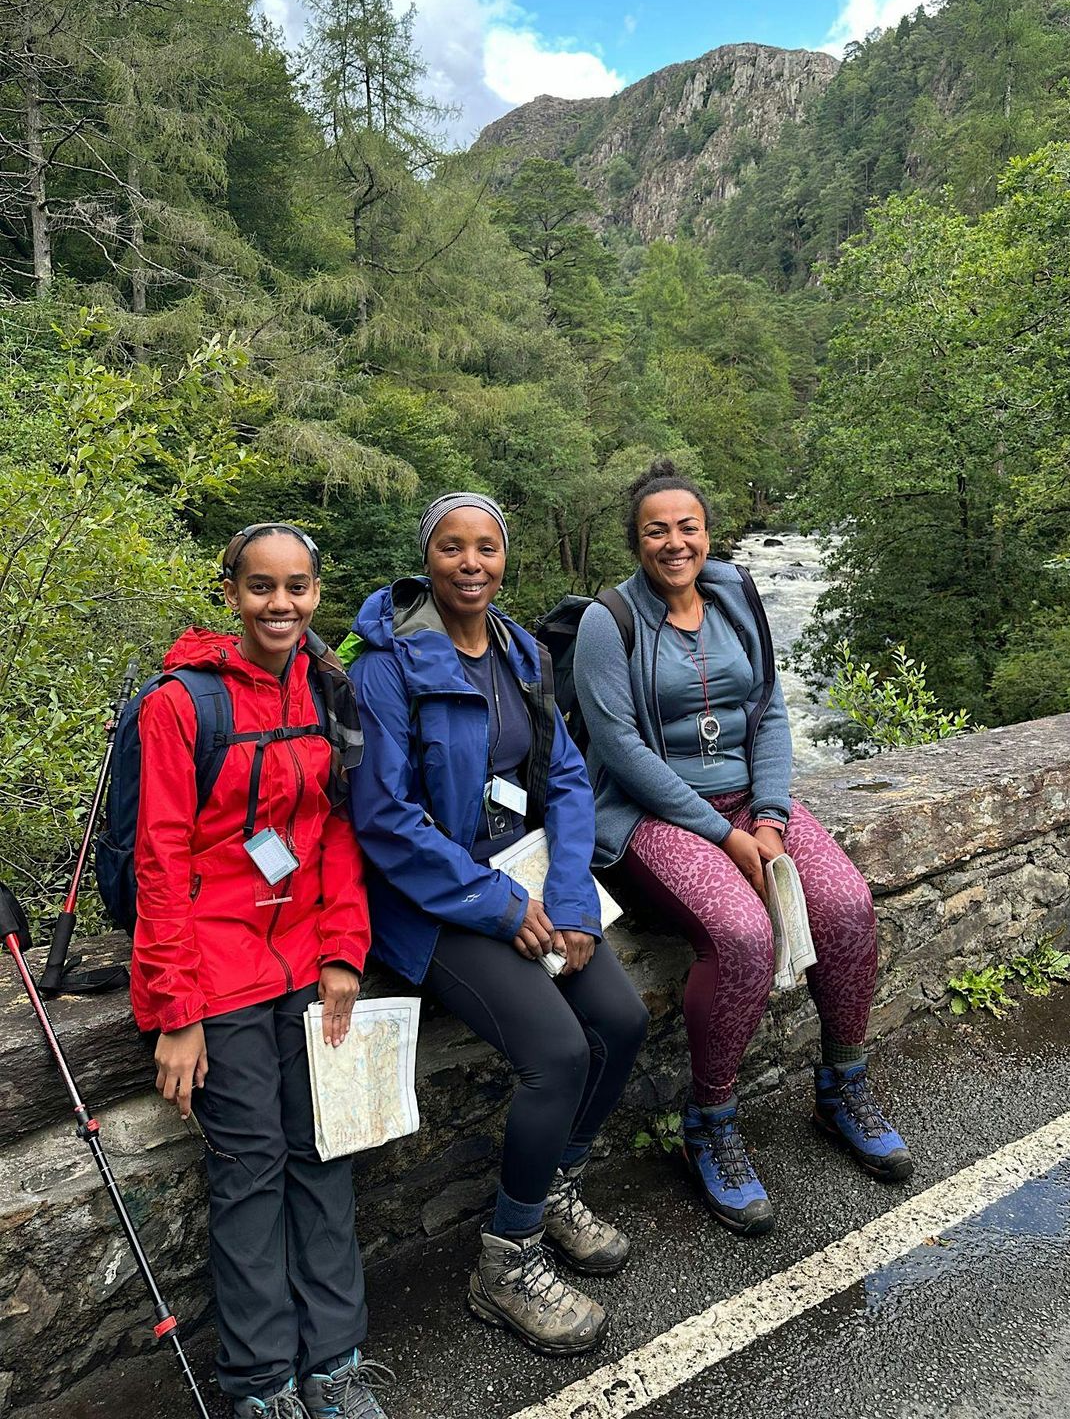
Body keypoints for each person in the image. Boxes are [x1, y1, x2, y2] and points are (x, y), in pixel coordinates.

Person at [343, 492, 648, 1357]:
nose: (470, 564)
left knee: (621, 1023)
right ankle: (506, 1259)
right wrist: (504, 907)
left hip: (531, 883)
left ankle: (556, 1182)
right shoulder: (386, 665)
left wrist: (575, 900)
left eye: (486, 548)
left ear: (504, 557)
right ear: (426, 559)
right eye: (451, 548)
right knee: (557, 1054)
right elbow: (384, 819)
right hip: (432, 905)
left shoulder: (521, 651)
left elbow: (566, 781)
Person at [572, 462, 912, 1238]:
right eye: (656, 529)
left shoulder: (737, 594)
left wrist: (766, 818)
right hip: (650, 815)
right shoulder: (609, 622)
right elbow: (621, 749)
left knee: (847, 907)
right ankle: (710, 1124)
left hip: (748, 806)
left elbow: (771, 715)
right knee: (741, 934)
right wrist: (722, 833)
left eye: (686, 526)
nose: (674, 541)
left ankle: (842, 1087)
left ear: (708, 532)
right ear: (636, 540)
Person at [131, 524, 391, 1419]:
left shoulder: (327, 689)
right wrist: (175, 1010)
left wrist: (343, 952)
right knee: (249, 1170)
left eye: (298, 588)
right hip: (218, 972)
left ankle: (338, 1362)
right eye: (261, 588)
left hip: (306, 961)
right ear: (232, 593)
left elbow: (336, 832)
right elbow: (160, 858)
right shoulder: (181, 705)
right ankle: (259, 1382)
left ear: (318, 592)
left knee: (325, 1153)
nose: (281, 605)